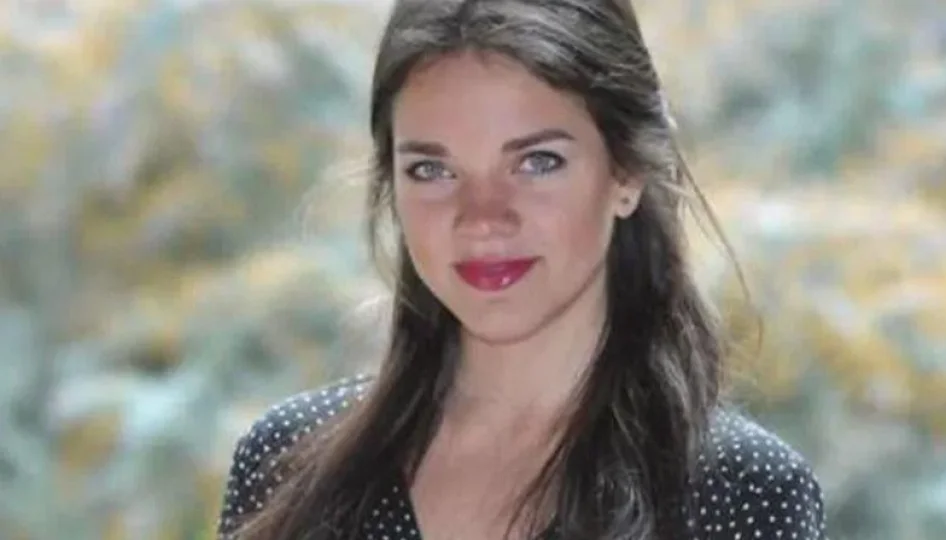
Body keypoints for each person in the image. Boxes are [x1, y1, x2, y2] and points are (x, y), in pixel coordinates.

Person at [216, 0, 827, 539]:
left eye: (536, 162)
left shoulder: (740, 497)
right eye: (433, 171)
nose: (482, 219)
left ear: (626, 172)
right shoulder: (286, 470)